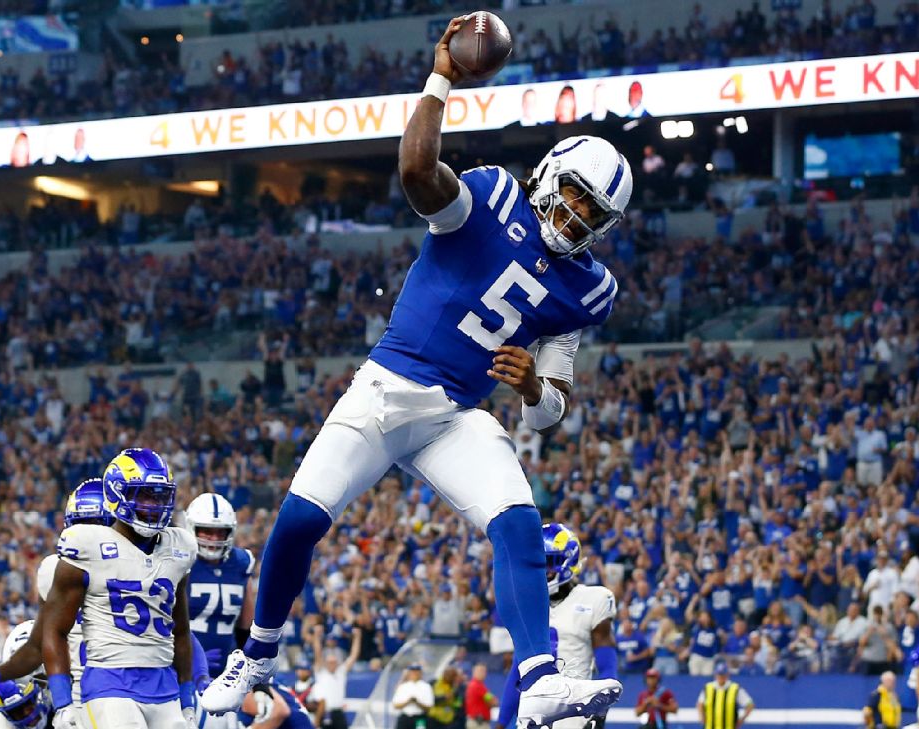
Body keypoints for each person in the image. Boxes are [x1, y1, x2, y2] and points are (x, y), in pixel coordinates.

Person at [202, 15, 630, 729]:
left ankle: (542, 676)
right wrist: (442, 80)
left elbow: (551, 406)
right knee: (300, 519)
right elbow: (415, 173)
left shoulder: (588, 289)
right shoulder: (494, 195)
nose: (579, 214)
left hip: (456, 414)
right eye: (577, 193)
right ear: (552, 173)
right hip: (387, 388)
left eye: (594, 210)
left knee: (518, 519)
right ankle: (257, 653)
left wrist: (529, 384)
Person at [41, 449, 198, 728]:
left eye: (161, 496)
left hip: (163, 684)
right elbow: (54, 629)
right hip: (109, 680)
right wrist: (63, 702)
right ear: (117, 494)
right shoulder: (88, 544)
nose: (155, 505)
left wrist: (187, 698)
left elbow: (181, 631)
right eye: (146, 495)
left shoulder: (180, 547)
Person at [0, 478, 117, 725]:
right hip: (88, 696)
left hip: (116, 692)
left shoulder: (53, 569)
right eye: (82, 526)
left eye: (97, 525)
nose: (88, 535)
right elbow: (43, 641)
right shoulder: (52, 570)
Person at [496, 524, 618, 729]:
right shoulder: (528, 604)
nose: (544, 570)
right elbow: (518, 671)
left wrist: (599, 712)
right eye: (538, 564)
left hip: (574, 714)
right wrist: (500, 724)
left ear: (568, 560)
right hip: (531, 716)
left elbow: (607, 665)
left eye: (549, 562)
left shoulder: (593, 599)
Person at [186, 493, 255, 680]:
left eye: (220, 532)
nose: (213, 538)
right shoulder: (180, 561)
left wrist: (249, 670)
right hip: (181, 670)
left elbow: (246, 626)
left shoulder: (241, 562)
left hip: (227, 672)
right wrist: (186, 659)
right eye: (206, 531)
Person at [310, 622, 361, 729]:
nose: (332, 664)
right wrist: (316, 636)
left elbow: (353, 655)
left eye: (334, 662)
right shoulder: (321, 672)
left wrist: (357, 638)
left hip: (338, 711)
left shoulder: (340, 671)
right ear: (326, 662)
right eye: (329, 662)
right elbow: (317, 652)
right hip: (325, 712)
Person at [696, 662, 753, 729]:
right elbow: (700, 703)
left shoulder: (735, 689)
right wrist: (702, 716)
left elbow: (750, 704)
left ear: (727, 675)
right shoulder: (708, 688)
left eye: (723, 675)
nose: (721, 677)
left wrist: (741, 719)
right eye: (719, 675)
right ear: (715, 675)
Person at [392, 665, 435, 729]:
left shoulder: (426, 687)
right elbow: (396, 705)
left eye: (417, 672)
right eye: (412, 672)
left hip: (420, 718)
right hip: (405, 717)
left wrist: (417, 702)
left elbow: (429, 707)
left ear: (420, 673)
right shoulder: (403, 686)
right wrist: (408, 701)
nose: (414, 674)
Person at [463, 664, 495, 729]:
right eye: (481, 671)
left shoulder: (474, 684)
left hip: (475, 722)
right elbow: (493, 701)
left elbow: (492, 700)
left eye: (484, 671)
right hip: (478, 724)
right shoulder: (478, 685)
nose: (484, 673)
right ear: (474, 672)